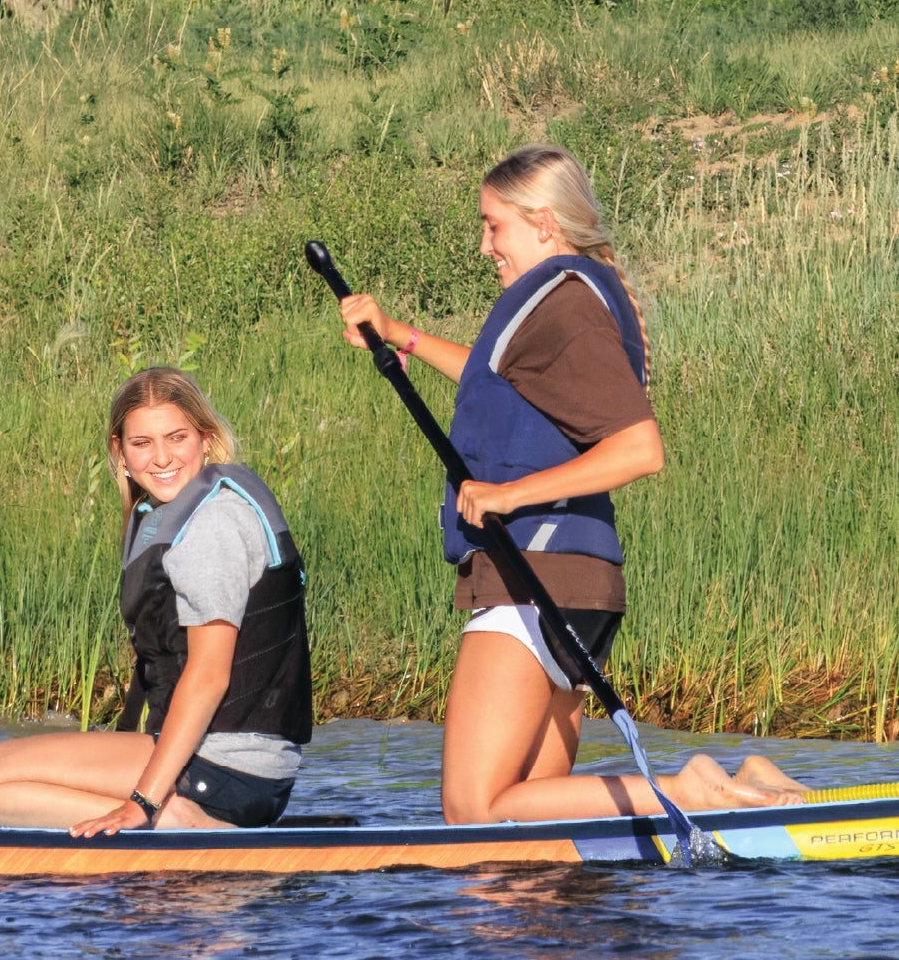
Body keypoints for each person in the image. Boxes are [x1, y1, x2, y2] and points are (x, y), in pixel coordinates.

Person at [336, 142, 805, 824]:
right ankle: (747, 779)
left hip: (534, 575)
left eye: (494, 225)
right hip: (574, 580)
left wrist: (507, 496)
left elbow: (640, 448)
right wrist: (399, 336)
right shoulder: (564, 299)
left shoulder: (563, 301)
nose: (483, 244)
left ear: (544, 224)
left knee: (473, 809)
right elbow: (497, 379)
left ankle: (691, 787)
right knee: (527, 827)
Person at [0, 368, 313, 835]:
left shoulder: (212, 525)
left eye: (177, 437)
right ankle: (160, 822)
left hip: (227, 769)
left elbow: (208, 674)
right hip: (216, 759)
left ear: (206, 439)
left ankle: (177, 820)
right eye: (142, 443)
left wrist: (143, 800)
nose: (161, 457)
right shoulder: (169, 518)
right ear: (119, 451)